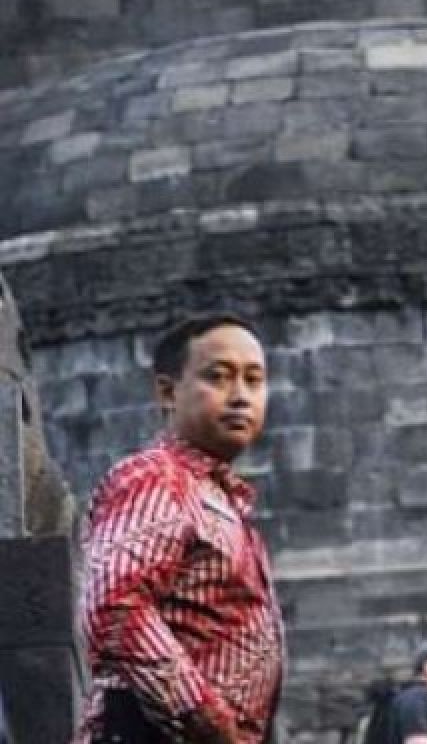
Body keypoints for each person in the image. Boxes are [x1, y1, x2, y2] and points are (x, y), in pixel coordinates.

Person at [73, 312, 284, 744]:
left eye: (254, 380)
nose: (241, 396)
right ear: (168, 392)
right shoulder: (155, 478)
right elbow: (116, 606)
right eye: (219, 377)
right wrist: (205, 716)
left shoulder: (221, 500)